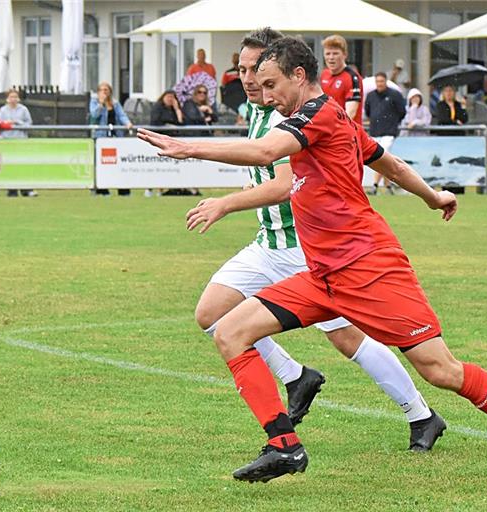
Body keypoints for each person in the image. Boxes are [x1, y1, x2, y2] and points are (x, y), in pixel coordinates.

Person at [138, 36, 487, 493]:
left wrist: (191, 149)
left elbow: (265, 154)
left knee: (441, 371)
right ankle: (284, 446)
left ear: (299, 76)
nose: (268, 94)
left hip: (371, 268)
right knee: (230, 331)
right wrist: (433, 195)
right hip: (322, 276)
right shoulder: (328, 115)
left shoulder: (317, 114)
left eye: (272, 84)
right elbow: (390, 164)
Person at [187, 26, 444, 451]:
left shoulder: (289, 112)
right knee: (212, 313)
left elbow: (285, 183)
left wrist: (225, 202)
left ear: (284, 73)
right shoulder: (258, 109)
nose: (249, 79)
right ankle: (296, 376)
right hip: (268, 242)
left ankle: (421, 414)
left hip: (307, 248)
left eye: (257, 71)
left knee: (347, 338)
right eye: (242, 70)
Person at [364, 71, 406, 194]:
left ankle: (375, 185)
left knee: (381, 158)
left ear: (386, 81)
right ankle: (388, 186)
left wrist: (392, 121)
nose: (379, 84)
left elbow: (402, 112)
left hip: (389, 131)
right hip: (375, 131)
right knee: (384, 160)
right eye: (377, 81)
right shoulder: (371, 95)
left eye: (381, 81)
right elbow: (368, 112)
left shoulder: (394, 94)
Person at [89, 81, 133, 196]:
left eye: (106, 90)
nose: (104, 92)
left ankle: (123, 190)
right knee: (102, 164)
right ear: (98, 92)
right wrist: (101, 103)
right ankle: (102, 190)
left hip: (116, 137)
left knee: (120, 164)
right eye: (102, 90)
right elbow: (94, 115)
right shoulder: (94, 102)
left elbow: (121, 115)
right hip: (101, 138)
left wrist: (127, 123)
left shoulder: (115, 103)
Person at [0, 89, 37, 198]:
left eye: (15, 97)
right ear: (7, 98)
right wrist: (8, 124)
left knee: (23, 166)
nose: (13, 99)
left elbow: (29, 124)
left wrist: (17, 122)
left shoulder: (23, 110)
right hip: (7, 142)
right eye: (11, 97)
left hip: (21, 141)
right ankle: (12, 191)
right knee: (10, 167)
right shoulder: (3, 110)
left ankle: (27, 190)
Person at [320, 34, 363, 124]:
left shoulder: (352, 77)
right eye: (328, 54)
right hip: (328, 130)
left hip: (347, 132)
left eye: (335, 53)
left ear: (344, 55)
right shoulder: (324, 74)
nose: (331, 58)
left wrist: (334, 128)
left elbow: (351, 112)